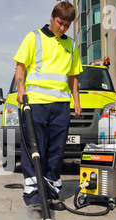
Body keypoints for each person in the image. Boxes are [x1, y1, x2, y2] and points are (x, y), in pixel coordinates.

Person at [14, 1, 83, 209]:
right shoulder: (33, 37)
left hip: (61, 105)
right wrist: (20, 90)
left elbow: (73, 76)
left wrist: (76, 100)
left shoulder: (71, 44)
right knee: (36, 148)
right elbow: (20, 67)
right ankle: (34, 195)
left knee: (56, 150)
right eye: (60, 23)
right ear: (52, 17)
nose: (62, 28)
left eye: (67, 25)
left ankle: (51, 190)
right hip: (36, 103)